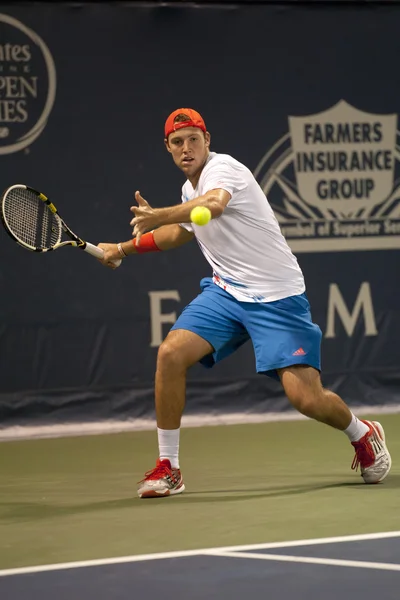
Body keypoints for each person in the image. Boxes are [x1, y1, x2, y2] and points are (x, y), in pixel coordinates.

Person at [98, 107, 392, 498]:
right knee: (170, 354)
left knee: (306, 398)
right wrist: (122, 248)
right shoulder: (189, 191)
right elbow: (177, 233)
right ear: (168, 148)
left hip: (277, 298)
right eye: (177, 142)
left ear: (207, 141)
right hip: (226, 293)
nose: (187, 148)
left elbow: (214, 205)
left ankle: (362, 432)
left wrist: (159, 214)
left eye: (193, 140)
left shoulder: (224, 169)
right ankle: (169, 467)